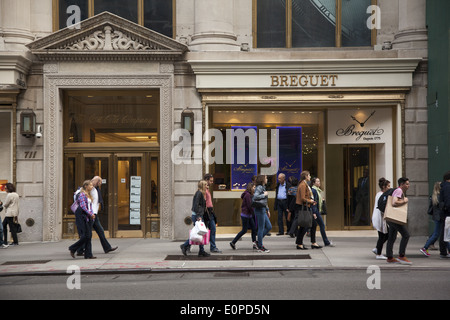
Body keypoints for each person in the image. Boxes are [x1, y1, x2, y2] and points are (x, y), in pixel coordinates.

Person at [81, 176, 118, 255]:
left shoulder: (96, 189)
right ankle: (79, 249)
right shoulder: (88, 188)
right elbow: (81, 196)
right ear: (95, 181)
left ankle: (107, 248)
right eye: (99, 182)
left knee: (100, 231)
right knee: (87, 234)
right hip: (90, 214)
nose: (99, 184)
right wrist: (90, 213)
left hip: (94, 214)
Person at [180, 180, 210, 257]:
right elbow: (196, 205)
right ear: (203, 186)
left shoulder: (201, 193)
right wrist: (198, 216)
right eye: (206, 185)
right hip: (197, 216)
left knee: (200, 232)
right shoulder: (199, 193)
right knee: (198, 233)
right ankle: (185, 245)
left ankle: (201, 251)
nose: (207, 186)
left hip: (199, 215)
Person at [386, 177, 412, 265]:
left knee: (392, 237)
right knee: (406, 235)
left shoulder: (398, 190)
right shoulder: (399, 191)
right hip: (395, 218)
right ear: (402, 184)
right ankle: (401, 256)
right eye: (407, 184)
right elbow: (394, 202)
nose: (408, 186)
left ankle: (390, 257)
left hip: (391, 218)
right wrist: (404, 201)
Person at [69, 180, 96, 259]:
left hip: (87, 217)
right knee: (84, 236)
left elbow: (89, 206)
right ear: (85, 186)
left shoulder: (88, 195)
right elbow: (83, 207)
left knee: (89, 236)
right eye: (90, 185)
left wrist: (92, 213)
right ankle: (72, 248)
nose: (92, 186)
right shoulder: (82, 194)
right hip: (81, 217)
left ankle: (88, 254)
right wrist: (90, 214)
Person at [230, 183, 257, 250]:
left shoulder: (249, 194)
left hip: (248, 215)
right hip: (246, 215)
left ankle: (254, 243)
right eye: (254, 187)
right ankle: (233, 242)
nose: (255, 188)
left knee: (254, 228)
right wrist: (253, 212)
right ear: (250, 188)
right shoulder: (247, 195)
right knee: (244, 230)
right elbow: (249, 206)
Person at [311, 177, 334, 248]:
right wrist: (314, 212)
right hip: (316, 211)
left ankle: (312, 242)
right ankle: (326, 242)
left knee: (312, 226)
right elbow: (314, 202)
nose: (319, 182)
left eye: (319, 181)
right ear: (313, 183)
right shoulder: (314, 190)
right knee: (322, 225)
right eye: (317, 181)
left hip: (317, 211)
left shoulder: (317, 190)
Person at [295, 171, 316, 250]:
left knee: (310, 224)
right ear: (306, 176)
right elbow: (303, 198)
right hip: (303, 207)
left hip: (305, 207)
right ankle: (300, 243)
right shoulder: (303, 185)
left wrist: (311, 201)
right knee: (304, 226)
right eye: (309, 175)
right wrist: (311, 201)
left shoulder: (304, 184)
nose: (310, 177)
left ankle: (311, 243)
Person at [371, 177, 390, 259]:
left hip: (379, 217)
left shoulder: (380, 194)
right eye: (388, 186)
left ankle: (377, 249)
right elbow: (382, 207)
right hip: (379, 217)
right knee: (382, 235)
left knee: (385, 235)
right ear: (384, 187)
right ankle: (379, 254)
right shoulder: (382, 195)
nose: (389, 188)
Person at [253, 175, 272, 253]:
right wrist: (264, 194)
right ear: (262, 179)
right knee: (261, 228)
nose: (267, 179)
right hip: (259, 210)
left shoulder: (262, 187)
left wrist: (267, 209)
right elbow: (255, 197)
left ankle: (258, 242)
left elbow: (264, 201)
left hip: (263, 209)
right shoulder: (259, 187)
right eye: (266, 178)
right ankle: (260, 246)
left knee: (269, 226)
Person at [204, 173, 221, 253]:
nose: (212, 182)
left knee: (213, 229)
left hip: (210, 212)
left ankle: (213, 247)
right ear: (206, 180)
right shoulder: (203, 189)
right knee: (200, 231)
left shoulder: (207, 189)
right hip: (206, 213)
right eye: (210, 181)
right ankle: (186, 245)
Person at [438, 171, 450, 259]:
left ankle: (443, 251)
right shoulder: (447, 187)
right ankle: (444, 251)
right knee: (445, 232)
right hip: (447, 213)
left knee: (444, 232)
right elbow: (448, 200)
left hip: (444, 212)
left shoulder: (444, 186)